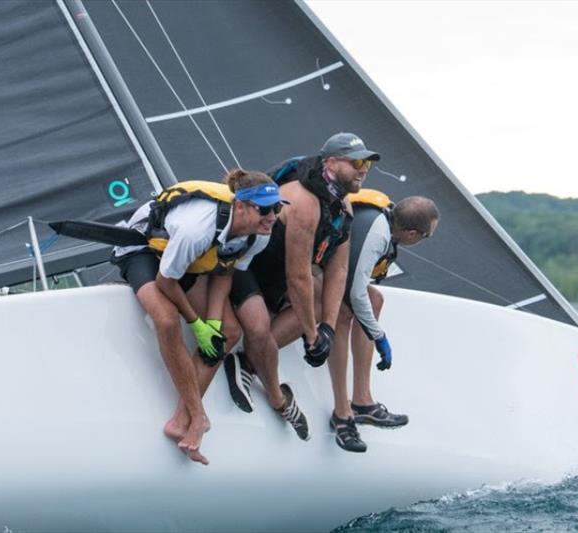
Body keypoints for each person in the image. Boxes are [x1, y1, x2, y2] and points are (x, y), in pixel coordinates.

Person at [112, 169, 285, 464]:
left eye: (278, 209)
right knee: (166, 320)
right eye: (265, 210)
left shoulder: (257, 235)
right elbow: (167, 281)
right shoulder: (198, 228)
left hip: (186, 262)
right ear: (240, 206)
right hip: (143, 249)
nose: (272, 217)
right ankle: (198, 416)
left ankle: (181, 421)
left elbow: (225, 269)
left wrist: (214, 324)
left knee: (228, 333)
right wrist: (195, 323)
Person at [225, 133, 380, 440]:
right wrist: (312, 336)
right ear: (332, 163)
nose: (363, 170)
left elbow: (339, 270)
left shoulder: (342, 207)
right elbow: (298, 277)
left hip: (279, 280)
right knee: (268, 324)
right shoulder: (303, 201)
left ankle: (250, 363)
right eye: (357, 162)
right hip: (248, 270)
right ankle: (259, 374)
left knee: (325, 305)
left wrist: (328, 329)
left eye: (367, 165)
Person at [328, 191, 439, 452]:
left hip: (334, 273)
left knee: (375, 300)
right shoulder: (377, 236)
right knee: (342, 316)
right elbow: (353, 294)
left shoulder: (387, 221)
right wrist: (379, 336)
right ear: (411, 233)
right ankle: (342, 415)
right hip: (304, 271)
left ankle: (363, 402)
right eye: (426, 236)